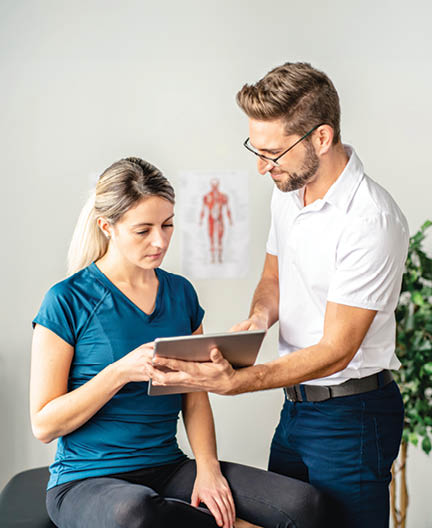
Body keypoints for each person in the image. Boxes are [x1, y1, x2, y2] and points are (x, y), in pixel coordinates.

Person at [148, 63, 410, 528]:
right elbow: (274, 276)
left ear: (322, 138)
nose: (261, 165)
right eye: (256, 148)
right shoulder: (288, 192)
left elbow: (337, 350)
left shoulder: (369, 221)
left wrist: (241, 382)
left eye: (272, 152)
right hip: (296, 409)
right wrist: (256, 320)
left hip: (352, 415)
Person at [30, 157, 325, 528]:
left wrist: (208, 468)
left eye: (168, 225)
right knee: (135, 512)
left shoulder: (180, 293)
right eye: (143, 230)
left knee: (302, 504)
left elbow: (195, 395)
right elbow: (44, 425)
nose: (160, 240)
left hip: (167, 467)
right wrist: (119, 373)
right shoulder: (66, 300)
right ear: (107, 226)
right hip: (86, 480)